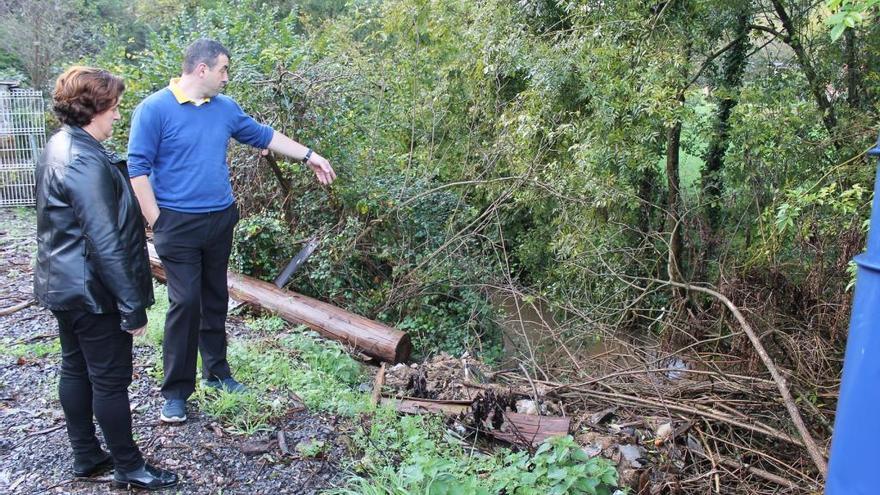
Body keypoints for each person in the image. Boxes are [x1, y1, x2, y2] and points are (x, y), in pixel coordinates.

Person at [128, 39, 336, 423]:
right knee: (185, 302)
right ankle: (175, 392)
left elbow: (264, 135)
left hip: (220, 219)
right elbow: (137, 168)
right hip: (177, 223)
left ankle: (217, 373)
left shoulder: (225, 109)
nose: (227, 77)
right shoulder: (154, 109)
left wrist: (310, 155)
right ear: (202, 69)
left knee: (214, 297)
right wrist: (157, 220)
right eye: (223, 69)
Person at [34, 66, 178, 490]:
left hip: (64, 284)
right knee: (110, 380)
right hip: (91, 291)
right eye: (113, 107)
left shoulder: (59, 145)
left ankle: (86, 454)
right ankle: (129, 466)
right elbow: (105, 240)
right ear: (93, 109)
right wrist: (131, 304)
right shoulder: (83, 159)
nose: (117, 115)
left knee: (76, 368)